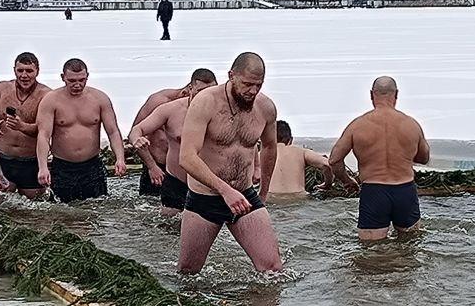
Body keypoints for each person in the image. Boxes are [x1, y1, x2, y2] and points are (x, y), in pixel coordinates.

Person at [176, 52, 284, 275]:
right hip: (205, 198)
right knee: (188, 272)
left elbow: (269, 147)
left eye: (258, 85)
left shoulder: (265, 108)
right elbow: (187, 157)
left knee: (273, 270)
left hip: (244, 194)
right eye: (247, 84)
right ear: (231, 76)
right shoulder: (206, 102)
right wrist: (225, 190)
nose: (252, 91)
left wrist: (263, 192)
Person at [326, 77, 428, 237]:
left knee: (371, 248)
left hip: (374, 192)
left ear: (371, 94)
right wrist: (402, 155)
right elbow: (424, 158)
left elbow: (334, 160)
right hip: (405, 191)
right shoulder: (411, 125)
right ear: (396, 94)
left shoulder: (357, 125)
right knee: (410, 244)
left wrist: (347, 180)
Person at [36, 57, 128, 202]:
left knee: (97, 207)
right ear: (63, 77)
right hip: (63, 167)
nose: (77, 85)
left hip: (92, 166)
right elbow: (43, 135)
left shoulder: (100, 98)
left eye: (82, 80)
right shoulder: (51, 100)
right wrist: (43, 167)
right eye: (72, 81)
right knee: (61, 210)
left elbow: (113, 132)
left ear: (87, 77)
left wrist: (120, 159)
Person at [131, 71, 218, 217]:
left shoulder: (221, 111)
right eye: (201, 91)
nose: (205, 96)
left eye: (210, 92)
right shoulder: (169, 107)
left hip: (204, 180)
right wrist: (137, 140)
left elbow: (242, 139)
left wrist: (255, 166)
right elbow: (137, 129)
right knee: (164, 222)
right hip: (175, 179)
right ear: (190, 89)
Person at [0, 51, 51, 198]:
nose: (24, 75)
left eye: (29, 71)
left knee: (32, 207)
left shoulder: (46, 95)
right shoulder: (2, 88)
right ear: (14, 70)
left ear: (37, 71)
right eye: (20, 70)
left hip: (30, 161)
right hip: (2, 158)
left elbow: (45, 131)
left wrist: (22, 126)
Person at [265, 120, 332, 199]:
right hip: (299, 198)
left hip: (271, 199)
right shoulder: (301, 152)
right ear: (291, 140)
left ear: (268, 139)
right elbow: (327, 164)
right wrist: (327, 184)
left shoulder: (261, 155)